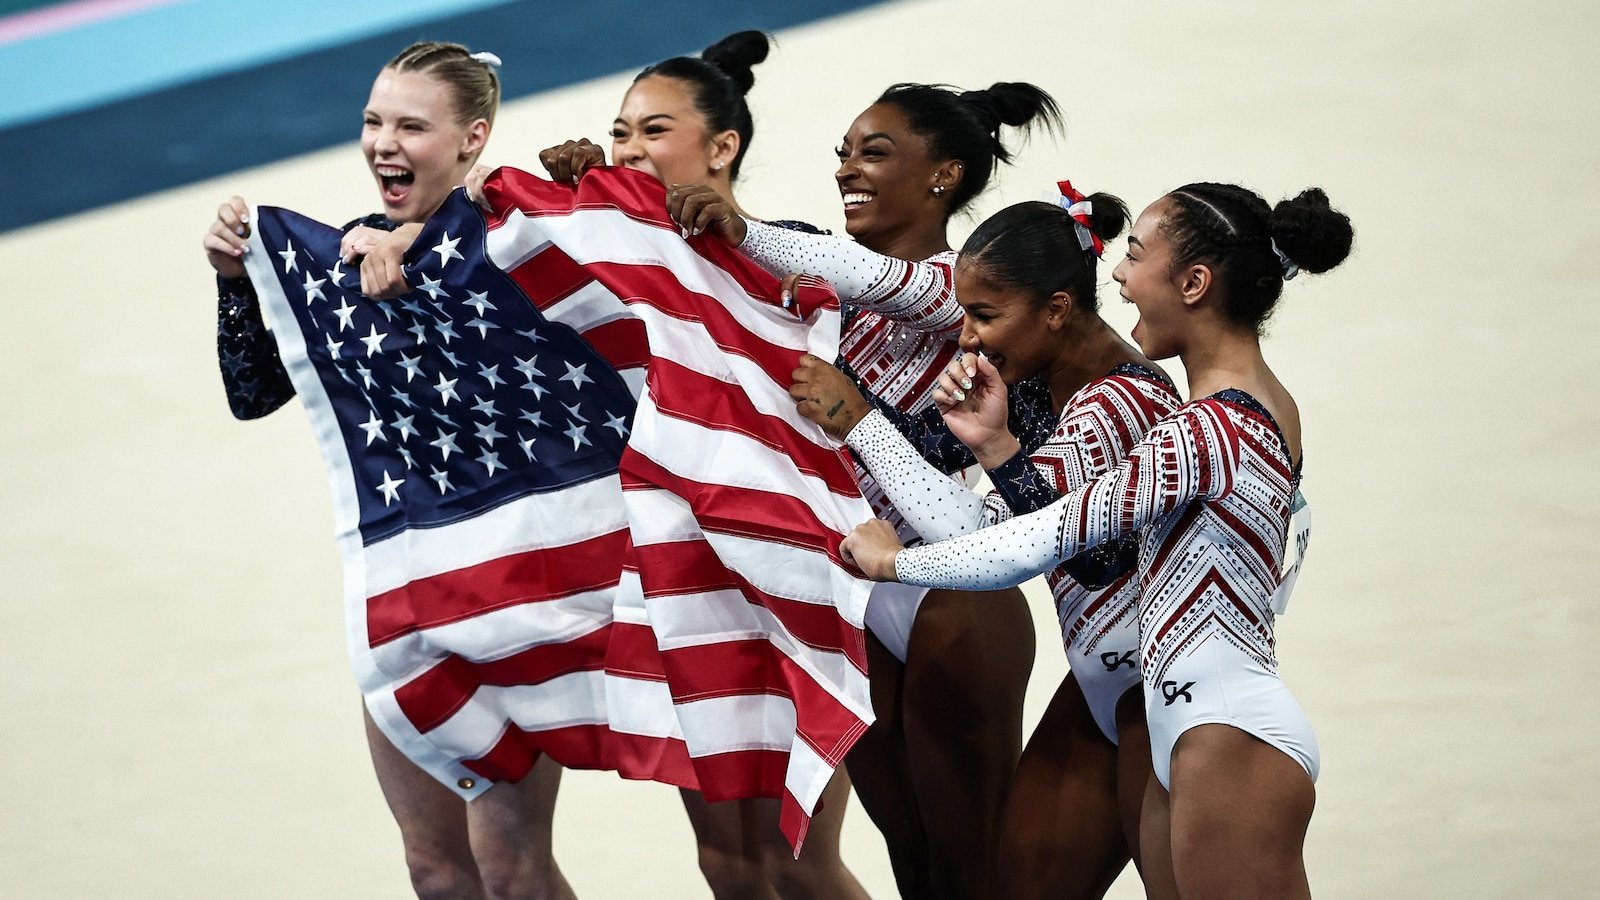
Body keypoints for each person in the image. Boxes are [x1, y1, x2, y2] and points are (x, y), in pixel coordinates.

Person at [840, 182, 1355, 899]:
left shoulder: (1210, 427)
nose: (1114, 274)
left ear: (1195, 283)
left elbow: (1047, 538)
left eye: (1136, 255)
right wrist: (994, 447)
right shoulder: (1227, 414)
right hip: (1180, 713)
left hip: (1222, 722)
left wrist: (897, 562)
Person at [483, 32, 869, 900]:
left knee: (795, 859)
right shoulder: (614, 246)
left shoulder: (785, 250)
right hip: (678, 568)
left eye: (653, 132)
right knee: (725, 861)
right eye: (620, 134)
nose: (628, 150)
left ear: (722, 146)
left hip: (777, 564)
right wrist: (585, 205)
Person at [204, 42, 580, 899]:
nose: (383, 143)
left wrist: (429, 248)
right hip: (410, 591)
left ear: (471, 137)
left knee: (509, 866)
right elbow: (254, 392)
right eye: (374, 121)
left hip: (509, 584)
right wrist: (235, 281)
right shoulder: (341, 258)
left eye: (413, 125)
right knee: (435, 871)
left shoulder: (515, 233)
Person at [668, 81, 1062, 898]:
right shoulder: (810, 274)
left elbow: (865, 273)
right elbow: (681, 254)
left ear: (943, 175)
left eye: (874, 152)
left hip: (950, 592)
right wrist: (593, 182)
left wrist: (751, 229)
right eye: (844, 153)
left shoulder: (962, 288)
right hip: (857, 587)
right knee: (912, 862)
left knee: (971, 867)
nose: (849, 168)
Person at [789, 184, 1181, 898]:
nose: (966, 336)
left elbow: (1047, 549)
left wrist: (865, 427)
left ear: (1056, 309)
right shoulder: (1036, 382)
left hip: (1159, 688)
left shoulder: (1124, 401)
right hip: (1101, 681)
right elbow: (974, 493)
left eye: (983, 315)